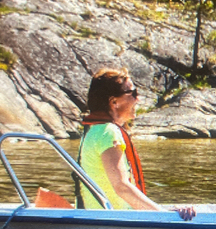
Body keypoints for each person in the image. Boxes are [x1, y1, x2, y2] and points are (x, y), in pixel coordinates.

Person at [77, 68, 195, 220]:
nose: (137, 99)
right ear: (114, 102)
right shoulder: (108, 132)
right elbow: (122, 187)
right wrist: (164, 216)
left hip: (107, 220)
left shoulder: (96, 130)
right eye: (133, 93)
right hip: (112, 225)